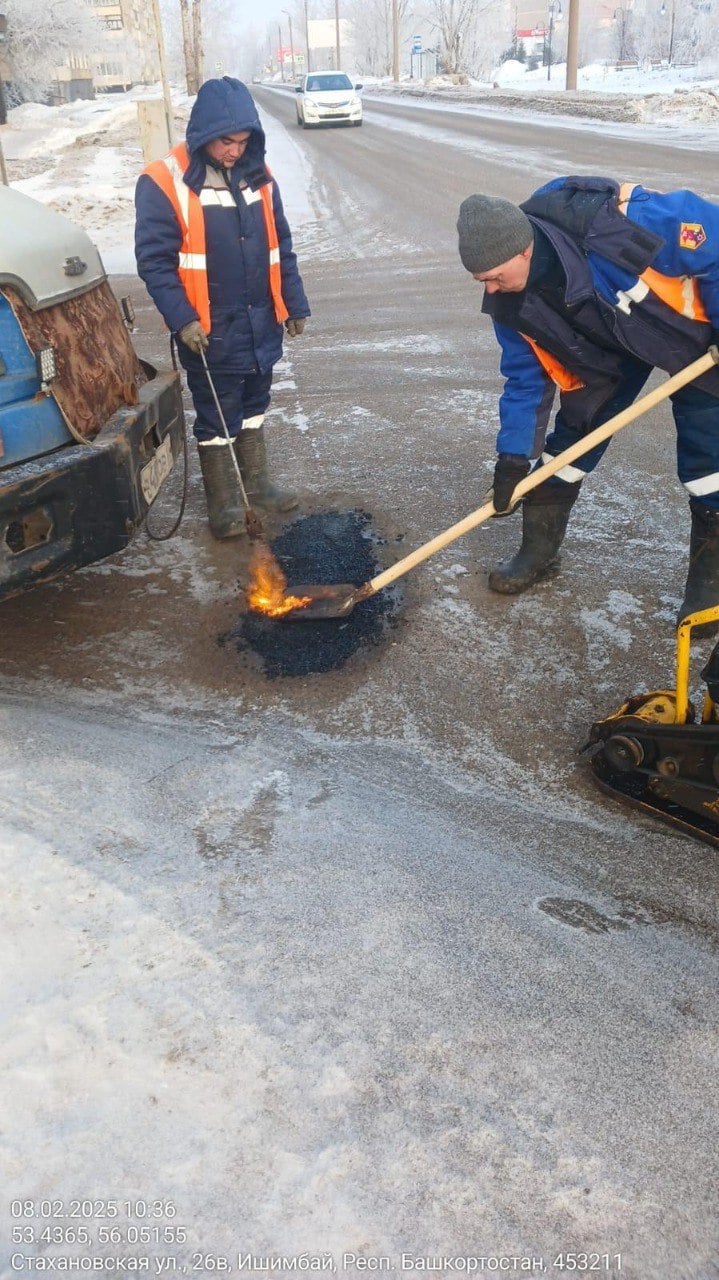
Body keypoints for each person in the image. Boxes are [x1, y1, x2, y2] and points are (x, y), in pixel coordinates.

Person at [456, 179, 719, 622]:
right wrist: (513, 460)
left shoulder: (614, 224)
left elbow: (715, 240)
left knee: (708, 463)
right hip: (608, 353)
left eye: (495, 277)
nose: (492, 290)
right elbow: (525, 382)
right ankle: (538, 553)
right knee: (568, 449)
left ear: (523, 250)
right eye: (483, 282)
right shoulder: (509, 307)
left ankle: (708, 594)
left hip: (693, 338)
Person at [135, 77, 310, 538]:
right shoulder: (163, 181)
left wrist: (292, 302)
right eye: (225, 141)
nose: (235, 151)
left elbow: (281, 245)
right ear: (202, 134)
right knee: (217, 416)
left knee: (255, 405)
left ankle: (256, 483)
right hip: (209, 328)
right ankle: (225, 503)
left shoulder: (259, 175)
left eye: (243, 140)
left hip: (260, 322)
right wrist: (184, 319)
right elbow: (155, 262)